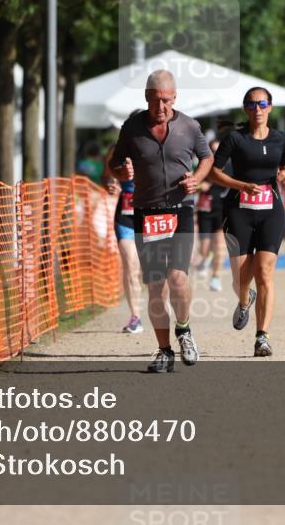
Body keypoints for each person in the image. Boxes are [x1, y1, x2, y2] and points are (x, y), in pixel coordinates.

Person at [108, 70, 213, 373]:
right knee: (155, 285)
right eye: (156, 100)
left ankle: (184, 329)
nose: (162, 106)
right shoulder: (132, 128)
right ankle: (164, 350)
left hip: (180, 209)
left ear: (175, 98)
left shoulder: (189, 126)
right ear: (146, 98)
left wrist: (198, 178)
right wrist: (120, 173)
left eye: (167, 100)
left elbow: (206, 158)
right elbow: (113, 163)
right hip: (147, 212)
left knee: (177, 278)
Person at [207, 87, 285, 357]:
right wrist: (242, 185)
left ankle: (262, 336)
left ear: (270, 107)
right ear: (245, 108)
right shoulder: (235, 138)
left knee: (265, 273)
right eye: (252, 104)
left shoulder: (281, 139)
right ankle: (245, 300)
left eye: (262, 104)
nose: (258, 109)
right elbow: (213, 173)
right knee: (242, 279)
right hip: (239, 211)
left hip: (271, 210)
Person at [104, 131, 144, 334]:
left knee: (151, 270)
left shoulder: (157, 149)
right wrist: (112, 185)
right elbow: (109, 177)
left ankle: (160, 306)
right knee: (130, 264)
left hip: (151, 217)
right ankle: (135, 316)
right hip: (126, 216)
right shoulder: (117, 152)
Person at [194, 139, 226, 292]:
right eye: (212, 150)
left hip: (221, 210)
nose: (215, 154)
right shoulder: (202, 166)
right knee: (205, 247)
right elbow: (192, 184)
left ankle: (215, 277)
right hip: (205, 210)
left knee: (219, 246)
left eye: (218, 150)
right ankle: (206, 259)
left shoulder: (228, 166)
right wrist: (201, 186)